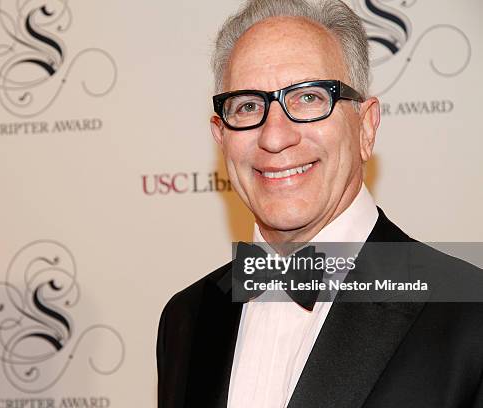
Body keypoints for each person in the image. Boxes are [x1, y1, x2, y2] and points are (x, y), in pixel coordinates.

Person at [156, 0, 483, 407]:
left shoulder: (469, 314)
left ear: (365, 127)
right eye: (248, 106)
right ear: (221, 137)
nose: (275, 137)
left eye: (309, 98)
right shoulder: (186, 319)